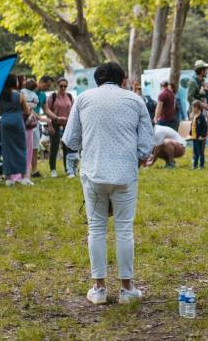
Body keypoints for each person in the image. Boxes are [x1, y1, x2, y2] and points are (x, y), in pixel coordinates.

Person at [61, 62, 154, 305]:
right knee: (124, 230)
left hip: (93, 173)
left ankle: (99, 288)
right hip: (125, 174)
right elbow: (145, 147)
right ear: (123, 78)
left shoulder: (83, 99)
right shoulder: (135, 101)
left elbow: (70, 140)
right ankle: (127, 289)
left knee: (96, 229)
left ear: (96, 79)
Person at [0, 74, 31, 186]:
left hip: (5, 122)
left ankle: (8, 178)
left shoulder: (1, 95)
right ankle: (23, 177)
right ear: (14, 83)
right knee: (21, 148)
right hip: (17, 122)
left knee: (7, 149)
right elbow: (26, 112)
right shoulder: (20, 95)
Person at [45, 77, 76, 178]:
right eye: (61, 86)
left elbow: (73, 111)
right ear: (57, 86)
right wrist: (49, 125)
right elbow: (47, 111)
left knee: (67, 147)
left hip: (67, 124)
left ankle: (68, 168)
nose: (63, 88)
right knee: (54, 147)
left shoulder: (70, 97)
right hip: (55, 123)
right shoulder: (52, 97)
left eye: (65, 86)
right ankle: (53, 169)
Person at [21, 79, 41, 179]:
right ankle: (32, 169)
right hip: (31, 120)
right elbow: (35, 104)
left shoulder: (21, 93)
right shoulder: (34, 95)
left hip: (23, 119)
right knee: (32, 146)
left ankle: (26, 170)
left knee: (25, 146)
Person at [190, 99, 208, 169]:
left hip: (199, 138)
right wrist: (190, 132)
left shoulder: (201, 117)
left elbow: (205, 127)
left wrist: (202, 135)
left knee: (200, 152)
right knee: (195, 152)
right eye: (192, 107)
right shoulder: (194, 116)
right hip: (194, 137)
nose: (193, 109)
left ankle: (201, 165)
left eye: (194, 107)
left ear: (198, 108)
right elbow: (192, 125)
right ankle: (195, 165)